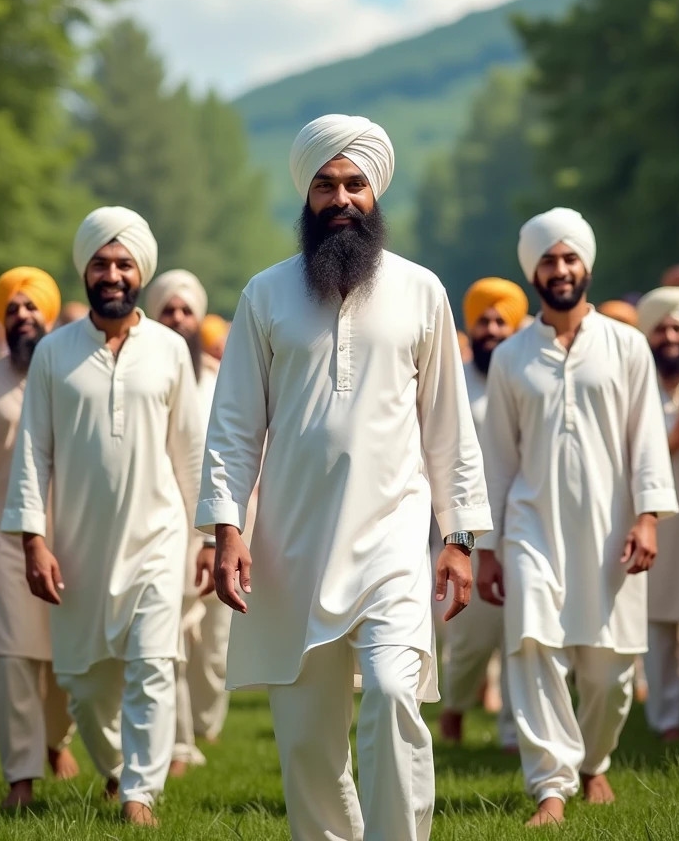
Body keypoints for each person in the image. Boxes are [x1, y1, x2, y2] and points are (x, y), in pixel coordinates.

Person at [196, 114, 492, 841]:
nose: (341, 198)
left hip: (393, 539)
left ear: (375, 191)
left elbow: (449, 428)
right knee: (306, 740)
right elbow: (234, 425)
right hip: (292, 545)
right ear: (306, 195)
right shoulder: (265, 295)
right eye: (325, 185)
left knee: (393, 694)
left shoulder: (421, 291)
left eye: (355, 183)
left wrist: (457, 536)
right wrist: (227, 527)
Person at [1, 207, 210, 827]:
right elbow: (34, 451)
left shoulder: (170, 351)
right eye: (101, 264)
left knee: (151, 666)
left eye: (123, 264)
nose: (112, 274)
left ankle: (140, 796)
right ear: (85, 272)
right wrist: (34, 540)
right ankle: (123, 768)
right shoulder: (54, 354)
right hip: (77, 546)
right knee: (84, 687)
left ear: (140, 271)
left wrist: (205, 537)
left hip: (157, 539)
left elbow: (192, 452)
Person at [477, 207, 678, 828]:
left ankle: (594, 766)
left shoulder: (625, 348)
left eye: (569, 258)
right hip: (531, 528)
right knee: (533, 650)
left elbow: (648, 438)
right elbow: (498, 461)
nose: (559, 270)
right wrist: (486, 546)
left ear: (586, 264)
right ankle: (551, 790)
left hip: (611, 531)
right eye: (547, 259)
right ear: (532, 271)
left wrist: (646, 517)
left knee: (611, 676)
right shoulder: (512, 357)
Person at [0, 268, 77, 808]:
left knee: (70, 655)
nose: (22, 316)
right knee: (15, 655)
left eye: (31, 308)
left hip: (73, 530)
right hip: (6, 535)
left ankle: (57, 740)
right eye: (12, 309)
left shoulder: (71, 374)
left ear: (49, 316)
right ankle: (21, 778)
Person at [145, 270, 231, 774]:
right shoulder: (144, 375)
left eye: (185, 311)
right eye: (167, 310)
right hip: (161, 523)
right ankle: (178, 744)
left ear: (199, 318)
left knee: (215, 644)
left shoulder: (220, 379)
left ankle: (205, 726)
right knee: (170, 633)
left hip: (220, 528)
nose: (177, 319)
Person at [440, 277, 528, 750]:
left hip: (525, 522)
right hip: (466, 529)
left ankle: (513, 733)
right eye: (483, 321)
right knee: (471, 635)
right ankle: (454, 706)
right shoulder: (455, 379)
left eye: (501, 320)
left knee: (521, 631)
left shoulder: (524, 378)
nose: (492, 329)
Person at [637, 287, 679, 741]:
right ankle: (666, 719)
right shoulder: (639, 388)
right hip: (658, 521)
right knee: (659, 619)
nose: (670, 337)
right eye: (662, 329)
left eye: (678, 328)